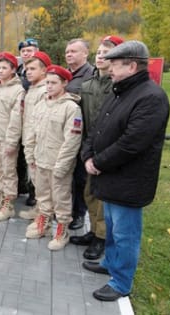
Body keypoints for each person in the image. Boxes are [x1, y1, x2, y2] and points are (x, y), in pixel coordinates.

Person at [81, 40, 170, 301]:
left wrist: (97, 162)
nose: (110, 70)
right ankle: (110, 262)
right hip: (109, 176)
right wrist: (88, 153)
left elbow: (132, 143)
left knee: (125, 233)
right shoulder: (120, 91)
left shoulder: (151, 97)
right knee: (111, 226)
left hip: (128, 181)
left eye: (115, 66)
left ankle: (121, 282)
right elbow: (97, 127)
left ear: (132, 66)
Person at [69, 35, 124, 260]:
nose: (101, 56)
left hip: (108, 149)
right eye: (99, 52)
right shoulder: (88, 84)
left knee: (102, 198)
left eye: (107, 53)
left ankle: (102, 238)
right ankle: (93, 232)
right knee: (89, 192)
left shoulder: (117, 86)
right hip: (88, 148)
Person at [24, 65, 82, 251]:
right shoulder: (41, 104)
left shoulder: (71, 107)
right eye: (47, 82)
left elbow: (72, 140)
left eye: (53, 83)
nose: (48, 86)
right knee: (43, 196)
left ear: (65, 83)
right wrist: (30, 154)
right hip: (40, 159)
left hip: (58, 163)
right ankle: (45, 224)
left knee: (61, 198)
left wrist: (62, 165)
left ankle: (62, 230)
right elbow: (32, 132)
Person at [0, 52, 25, 221]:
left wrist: (11, 142)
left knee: (8, 172)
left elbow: (16, 119)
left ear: (13, 69)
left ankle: (9, 205)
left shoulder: (18, 90)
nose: (0, 71)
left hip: (7, 139)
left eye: (4, 68)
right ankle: (1, 198)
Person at [16, 51, 52, 220]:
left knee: (43, 184)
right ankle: (39, 211)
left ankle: (44, 218)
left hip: (40, 143)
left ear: (44, 71)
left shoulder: (45, 90)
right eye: (26, 69)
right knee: (37, 182)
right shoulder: (32, 89)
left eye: (32, 68)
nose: (28, 72)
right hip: (30, 141)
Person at [65, 38, 94, 230]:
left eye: (74, 51)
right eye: (67, 51)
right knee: (68, 176)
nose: (69, 54)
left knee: (80, 178)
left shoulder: (90, 76)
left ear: (85, 54)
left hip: (83, 135)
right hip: (66, 134)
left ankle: (79, 214)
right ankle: (67, 211)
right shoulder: (67, 74)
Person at [17, 39, 39, 207]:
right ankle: (23, 187)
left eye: (29, 50)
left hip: (35, 123)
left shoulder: (40, 73)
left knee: (34, 160)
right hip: (20, 121)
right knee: (23, 158)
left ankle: (34, 194)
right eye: (23, 51)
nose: (26, 53)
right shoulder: (18, 70)